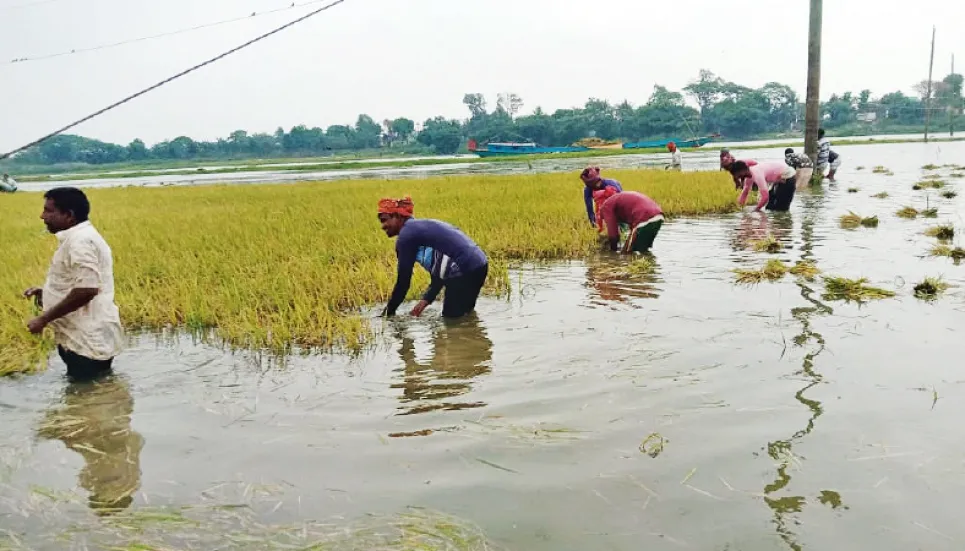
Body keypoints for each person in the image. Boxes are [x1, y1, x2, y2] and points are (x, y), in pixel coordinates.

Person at [23, 187, 124, 381]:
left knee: (87, 397)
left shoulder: (81, 242)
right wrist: (47, 293)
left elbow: (87, 289)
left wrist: (43, 319)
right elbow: (83, 283)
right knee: (94, 390)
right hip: (82, 337)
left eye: (48, 211)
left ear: (69, 215)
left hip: (85, 341)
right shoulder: (77, 238)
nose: (42, 216)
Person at [378, 196, 489, 319]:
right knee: (466, 316)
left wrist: (388, 314)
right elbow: (441, 268)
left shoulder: (406, 237)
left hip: (463, 270)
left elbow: (403, 282)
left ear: (398, 217)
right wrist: (425, 301)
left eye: (384, 220)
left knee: (451, 323)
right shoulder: (420, 227)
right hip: (480, 265)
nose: (382, 226)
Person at [597, 190, 664, 254]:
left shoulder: (606, 207)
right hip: (659, 217)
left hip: (644, 218)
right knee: (643, 250)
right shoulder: (618, 200)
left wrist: (613, 250)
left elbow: (613, 234)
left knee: (625, 254)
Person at [729, 160, 797, 212]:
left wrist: (756, 210)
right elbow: (745, 192)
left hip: (788, 177)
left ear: (743, 170)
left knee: (781, 208)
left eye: (738, 174)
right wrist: (739, 207)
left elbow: (765, 197)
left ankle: (784, 228)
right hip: (779, 180)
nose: (738, 177)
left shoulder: (756, 174)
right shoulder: (748, 177)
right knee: (769, 207)